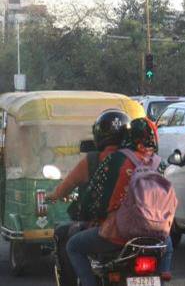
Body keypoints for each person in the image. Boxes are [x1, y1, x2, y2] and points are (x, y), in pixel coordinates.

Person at [66, 117, 174, 286]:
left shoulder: (116, 160)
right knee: (168, 245)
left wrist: (82, 212)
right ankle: (164, 274)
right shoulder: (161, 165)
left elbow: (94, 198)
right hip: (157, 235)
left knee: (73, 246)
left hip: (119, 234)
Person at [47, 109, 131, 286]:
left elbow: (65, 188)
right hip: (142, 229)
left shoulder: (93, 160)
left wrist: (52, 195)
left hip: (107, 230)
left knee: (67, 240)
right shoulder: (137, 159)